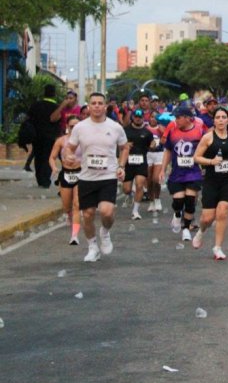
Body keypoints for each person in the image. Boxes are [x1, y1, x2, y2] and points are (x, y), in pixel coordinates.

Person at [63, 92, 128, 262]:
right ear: (89, 106)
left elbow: (125, 147)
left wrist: (121, 166)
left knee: (106, 212)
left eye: (100, 103)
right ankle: (92, 247)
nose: (97, 106)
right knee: (88, 214)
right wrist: (69, 155)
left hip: (108, 176)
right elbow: (69, 148)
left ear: (105, 106)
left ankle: (105, 233)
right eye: (94, 103)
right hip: (87, 177)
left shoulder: (115, 127)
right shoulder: (80, 127)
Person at [192, 106, 228, 260]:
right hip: (211, 179)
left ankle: (217, 247)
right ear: (213, 121)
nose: (220, 120)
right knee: (207, 217)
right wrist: (211, 161)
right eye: (218, 117)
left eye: (223, 117)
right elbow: (196, 157)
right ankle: (201, 231)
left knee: (223, 210)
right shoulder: (207, 137)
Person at [160, 107, 207, 243]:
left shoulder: (199, 131)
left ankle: (186, 228)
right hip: (177, 172)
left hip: (193, 172)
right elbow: (168, 151)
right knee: (178, 201)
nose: (176, 120)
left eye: (178, 117)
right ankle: (177, 214)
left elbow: (207, 146)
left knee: (190, 201)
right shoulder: (173, 132)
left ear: (187, 118)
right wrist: (163, 169)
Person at [49, 114, 82, 245]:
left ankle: (74, 236)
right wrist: (54, 168)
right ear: (67, 126)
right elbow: (52, 157)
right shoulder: (61, 141)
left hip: (80, 173)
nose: (74, 128)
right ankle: (69, 215)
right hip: (66, 174)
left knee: (77, 205)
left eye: (77, 126)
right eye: (72, 126)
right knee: (66, 205)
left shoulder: (84, 141)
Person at [28, 85, 70, 188]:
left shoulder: (35, 105)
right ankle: (45, 180)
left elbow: (29, 118)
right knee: (48, 158)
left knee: (38, 157)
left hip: (36, 136)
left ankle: (40, 179)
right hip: (50, 137)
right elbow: (54, 119)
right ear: (54, 94)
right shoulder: (56, 107)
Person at [123, 109, 153, 220]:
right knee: (126, 189)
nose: (138, 118)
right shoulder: (125, 130)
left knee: (140, 185)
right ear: (133, 117)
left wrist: (153, 145)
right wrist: (125, 145)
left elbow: (152, 144)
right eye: (136, 116)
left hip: (141, 161)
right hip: (128, 162)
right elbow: (119, 144)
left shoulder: (147, 132)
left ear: (143, 118)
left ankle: (135, 211)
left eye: (140, 117)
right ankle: (130, 195)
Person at [145, 113, 165, 212]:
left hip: (159, 154)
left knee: (156, 178)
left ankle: (157, 199)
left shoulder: (161, 128)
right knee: (149, 180)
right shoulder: (145, 128)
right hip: (148, 154)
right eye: (152, 116)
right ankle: (151, 201)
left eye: (156, 117)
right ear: (149, 118)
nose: (154, 119)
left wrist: (163, 134)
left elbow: (166, 141)